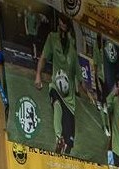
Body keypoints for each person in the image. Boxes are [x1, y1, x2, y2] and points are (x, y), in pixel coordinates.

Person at [34, 13, 81, 155]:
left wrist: (84, 88)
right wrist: (38, 75)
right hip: (56, 85)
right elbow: (43, 57)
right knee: (56, 104)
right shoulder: (52, 38)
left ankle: (64, 147)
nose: (63, 25)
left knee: (70, 144)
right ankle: (58, 138)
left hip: (70, 98)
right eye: (61, 22)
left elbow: (76, 69)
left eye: (65, 23)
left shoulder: (72, 43)